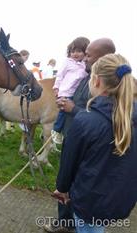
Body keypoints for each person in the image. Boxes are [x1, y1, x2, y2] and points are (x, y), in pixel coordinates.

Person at [54, 53, 136, 233]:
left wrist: (62, 189)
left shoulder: (85, 121)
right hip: (121, 199)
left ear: (97, 81)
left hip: (90, 203)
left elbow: (68, 163)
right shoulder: (130, 119)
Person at [43, 38, 116, 233]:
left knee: (76, 184)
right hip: (73, 136)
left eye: (89, 55)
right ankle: (66, 222)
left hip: (85, 144)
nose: (84, 58)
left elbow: (101, 118)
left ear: (103, 57)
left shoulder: (106, 85)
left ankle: (75, 224)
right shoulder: (86, 77)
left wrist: (73, 109)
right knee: (67, 180)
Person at [51, 37, 90, 144]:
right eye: (72, 51)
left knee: (70, 112)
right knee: (63, 111)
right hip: (65, 91)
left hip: (75, 93)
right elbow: (60, 75)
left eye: (79, 51)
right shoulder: (68, 62)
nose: (75, 54)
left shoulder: (84, 65)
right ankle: (56, 129)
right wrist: (56, 87)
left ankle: (64, 131)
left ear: (85, 52)